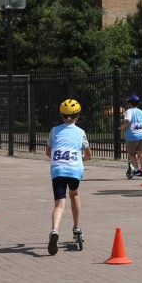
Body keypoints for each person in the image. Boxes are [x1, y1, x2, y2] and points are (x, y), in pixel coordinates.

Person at [45, 99, 92, 255]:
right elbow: (88, 153)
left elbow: (48, 153)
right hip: (74, 170)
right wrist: (83, 159)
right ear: (77, 116)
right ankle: (77, 227)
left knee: (59, 204)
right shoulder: (80, 132)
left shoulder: (54, 130)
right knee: (74, 194)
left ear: (61, 115)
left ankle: (54, 230)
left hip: (58, 169)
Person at [120, 93, 142, 177]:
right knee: (141, 153)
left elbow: (127, 121)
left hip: (132, 137)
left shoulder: (129, 111)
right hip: (141, 135)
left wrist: (122, 127)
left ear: (129, 103)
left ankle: (136, 169)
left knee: (131, 154)